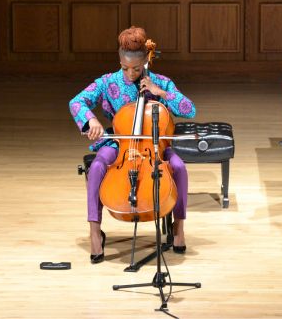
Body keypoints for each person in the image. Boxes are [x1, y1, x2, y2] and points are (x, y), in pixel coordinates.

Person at [68, 26, 196, 264]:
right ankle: (95, 231)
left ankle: (178, 227)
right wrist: (91, 119)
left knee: (179, 167)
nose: (130, 73)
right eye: (124, 67)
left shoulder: (161, 82)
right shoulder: (108, 82)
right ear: (119, 60)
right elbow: (76, 102)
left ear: (147, 60)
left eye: (136, 69)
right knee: (96, 167)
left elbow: (190, 109)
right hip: (120, 144)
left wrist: (162, 94)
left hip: (154, 144)